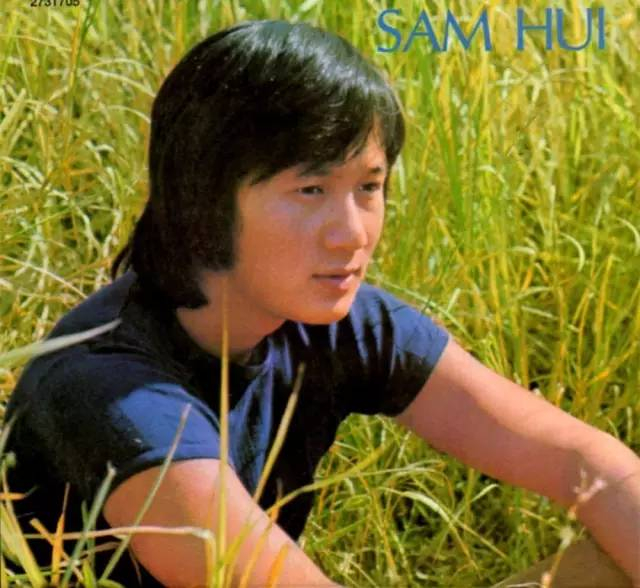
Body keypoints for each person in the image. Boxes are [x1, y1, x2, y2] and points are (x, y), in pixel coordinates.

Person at [3, 19, 639, 588]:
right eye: (310, 189)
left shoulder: (328, 319)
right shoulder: (108, 392)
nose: (352, 234)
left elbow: (587, 464)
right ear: (203, 196)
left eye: (369, 187)